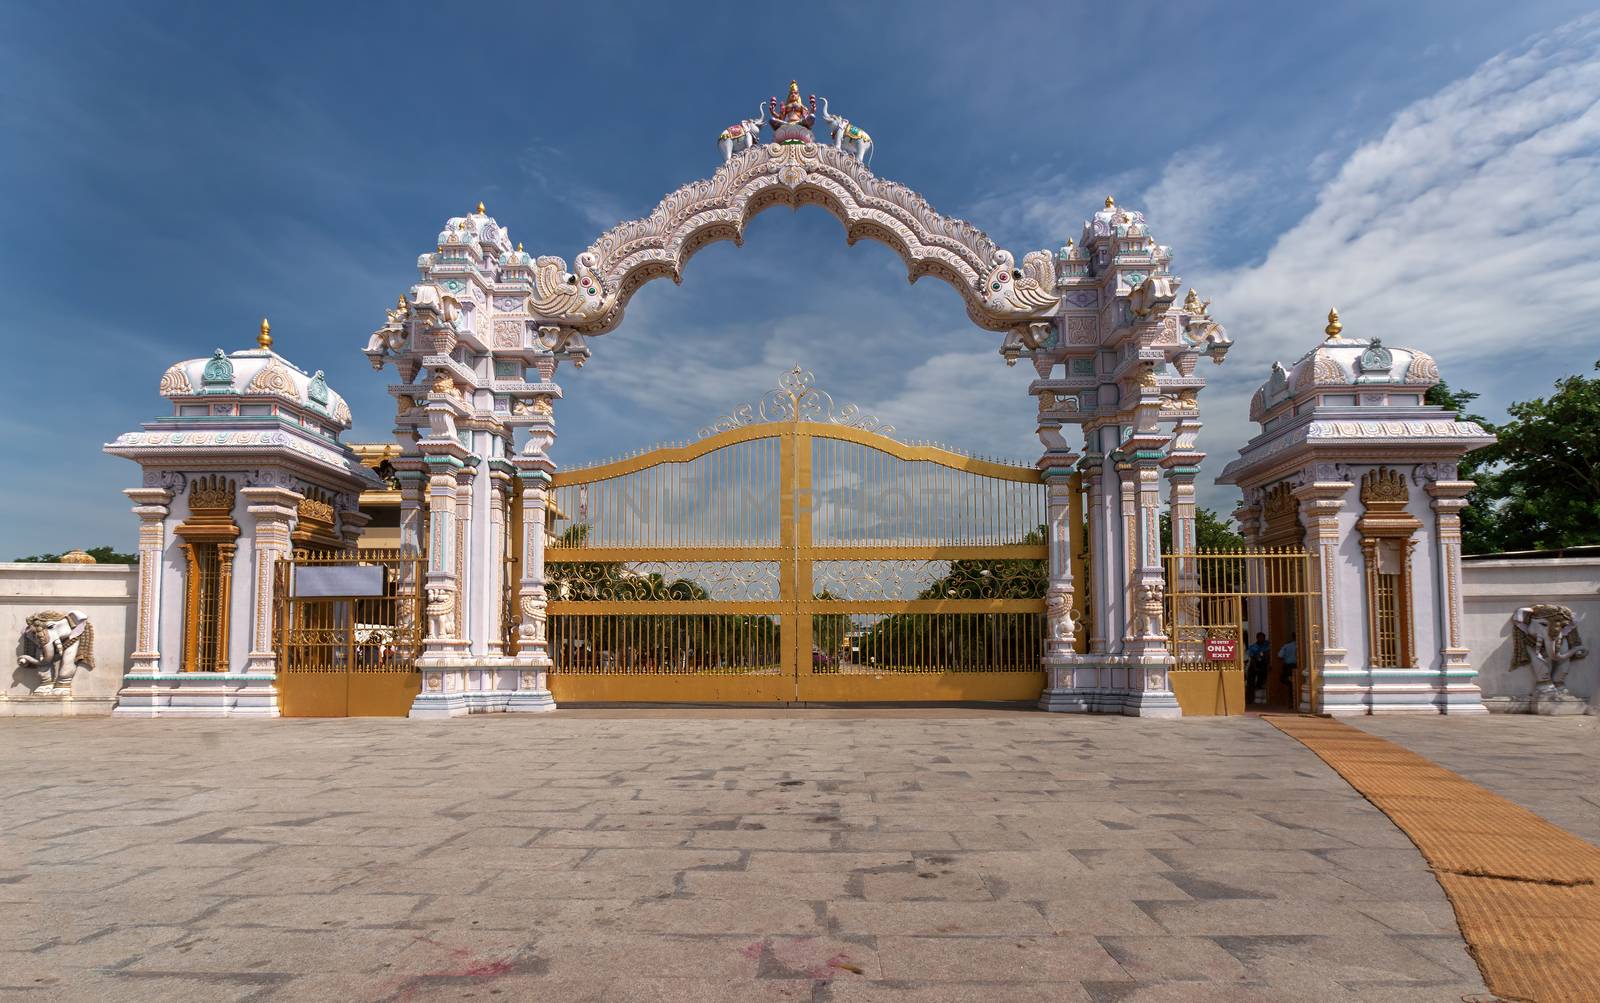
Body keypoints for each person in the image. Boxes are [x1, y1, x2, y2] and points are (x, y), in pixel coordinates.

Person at [1245, 632, 1270, 704]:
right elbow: (1252, 658)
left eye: (1263, 637)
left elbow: (1268, 654)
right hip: (1255, 664)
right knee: (1250, 681)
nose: (1261, 639)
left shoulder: (1267, 645)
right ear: (1257, 638)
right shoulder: (1253, 647)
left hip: (1264, 664)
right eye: (1260, 637)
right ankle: (1249, 699)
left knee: (1262, 679)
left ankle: (1260, 689)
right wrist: (1255, 667)